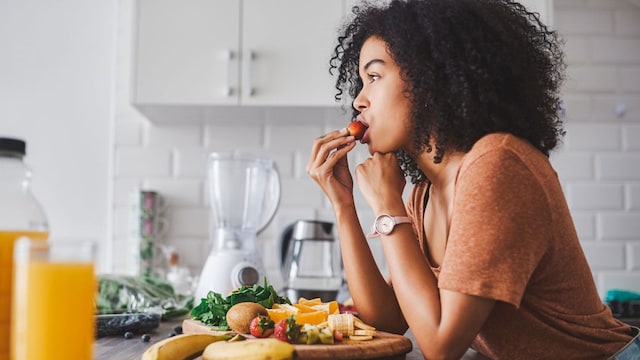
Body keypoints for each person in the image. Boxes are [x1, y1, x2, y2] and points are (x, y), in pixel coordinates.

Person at [306, 0, 639, 358]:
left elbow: (441, 345)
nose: (358, 100)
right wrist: (343, 206)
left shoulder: (497, 165)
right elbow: (386, 320)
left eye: (373, 77)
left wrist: (388, 208)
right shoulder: (425, 193)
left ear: (429, 79)